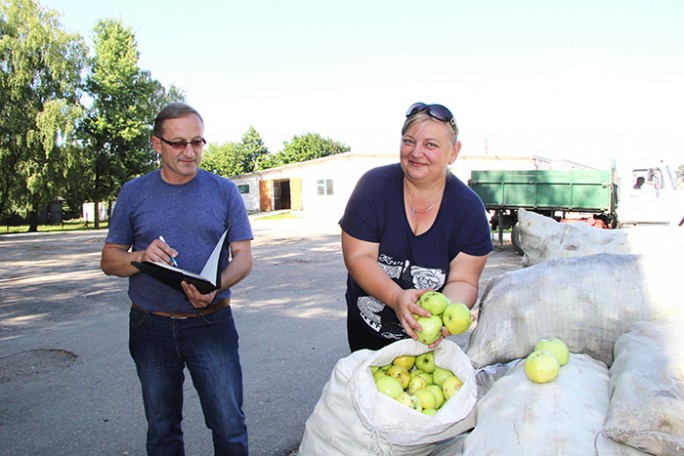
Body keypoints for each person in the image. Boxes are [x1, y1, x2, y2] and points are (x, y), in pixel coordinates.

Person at [100, 103, 253, 455]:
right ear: (157, 144)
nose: (190, 152)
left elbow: (243, 258)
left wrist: (216, 286)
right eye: (178, 143)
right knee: (163, 429)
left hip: (211, 323)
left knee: (229, 426)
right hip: (150, 326)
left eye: (197, 142)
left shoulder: (224, 191)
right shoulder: (134, 192)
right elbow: (110, 261)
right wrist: (140, 256)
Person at [339, 102, 493, 352]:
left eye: (430, 145)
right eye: (409, 141)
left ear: (454, 151)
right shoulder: (373, 187)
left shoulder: (469, 210)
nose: (416, 152)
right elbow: (358, 257)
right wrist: (396, 298)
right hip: (368, 329)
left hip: (426, 341)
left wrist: (443, 316)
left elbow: (464, 279)